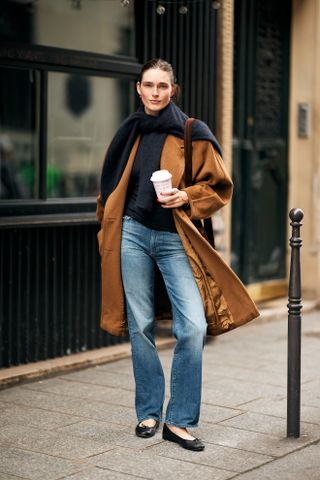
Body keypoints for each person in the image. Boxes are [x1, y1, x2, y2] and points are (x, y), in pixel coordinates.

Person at [96, 58, 259, 451]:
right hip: (132, 234)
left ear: (173, 90)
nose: (155, 92)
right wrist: (106, 225)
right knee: (140, 325)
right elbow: (112, 182)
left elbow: (220, 185)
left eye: (162, 86)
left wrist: (185, 195)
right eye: (148, 85)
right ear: (138, 89)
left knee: (193, 328)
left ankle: (180, 420)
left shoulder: (191, 132)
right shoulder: (130, 131)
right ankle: (149, 412)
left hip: (174, 240)